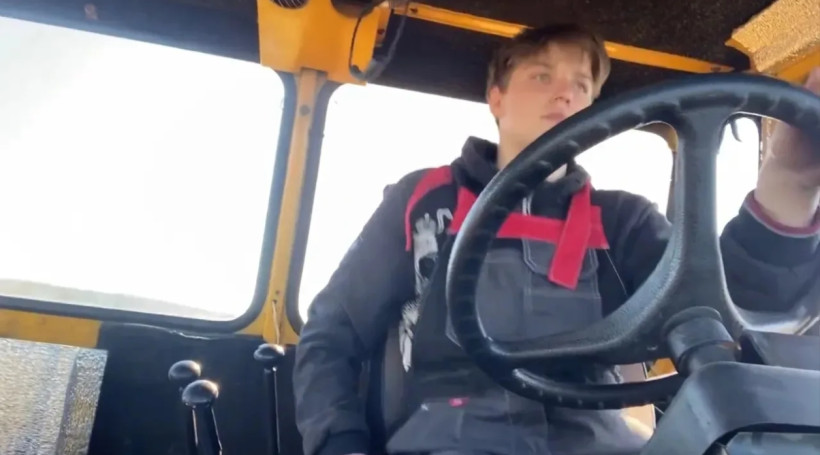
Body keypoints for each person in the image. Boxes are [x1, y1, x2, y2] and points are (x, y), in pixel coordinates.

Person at [294, 23, 820, 455]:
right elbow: (332, 332)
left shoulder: (623, 220)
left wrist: (790, 182)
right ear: (496, 98)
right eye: (542, 76)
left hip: (597, 440)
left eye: (582, 86)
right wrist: (338, 442)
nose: (565, 93)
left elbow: (723, 307)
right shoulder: (424, 201)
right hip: (453, 439)